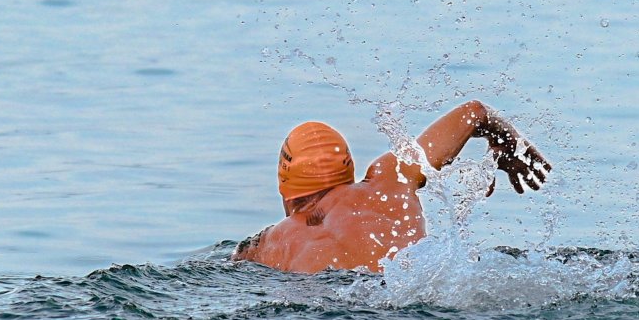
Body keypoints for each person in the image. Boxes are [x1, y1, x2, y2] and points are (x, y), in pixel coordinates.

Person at [232, 100, 551, 273]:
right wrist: (507, 145)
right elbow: (474, 112)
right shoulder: (389, 178)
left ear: (285, 187)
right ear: (348, 170)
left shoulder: (271, 242)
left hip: (341, 309)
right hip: (418, 287)